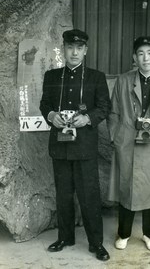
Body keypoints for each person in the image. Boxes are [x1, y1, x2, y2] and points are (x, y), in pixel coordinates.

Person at [40, 29, 111, 261]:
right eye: (70, 47)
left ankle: (96, 243)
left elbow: (104, 107)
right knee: (63, 195)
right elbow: (44, 104)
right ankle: (65, 237)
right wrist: (52, 116)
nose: (74, 52)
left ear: (85, 51)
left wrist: (87, 118)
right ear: (64, 49)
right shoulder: (51, 76)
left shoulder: (96, 77)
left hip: (85, 147)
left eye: (79, 48)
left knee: (89, 196)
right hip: (60, 147)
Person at [108, 36, 150, 251]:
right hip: (128, 143)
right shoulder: (123, 81)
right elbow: (113, 112)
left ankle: (149, 234)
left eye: (149, 53)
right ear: (134, 57)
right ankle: (124, 233)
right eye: (140, 53)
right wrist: (117, 138)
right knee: (127, 189)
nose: (145, 58)